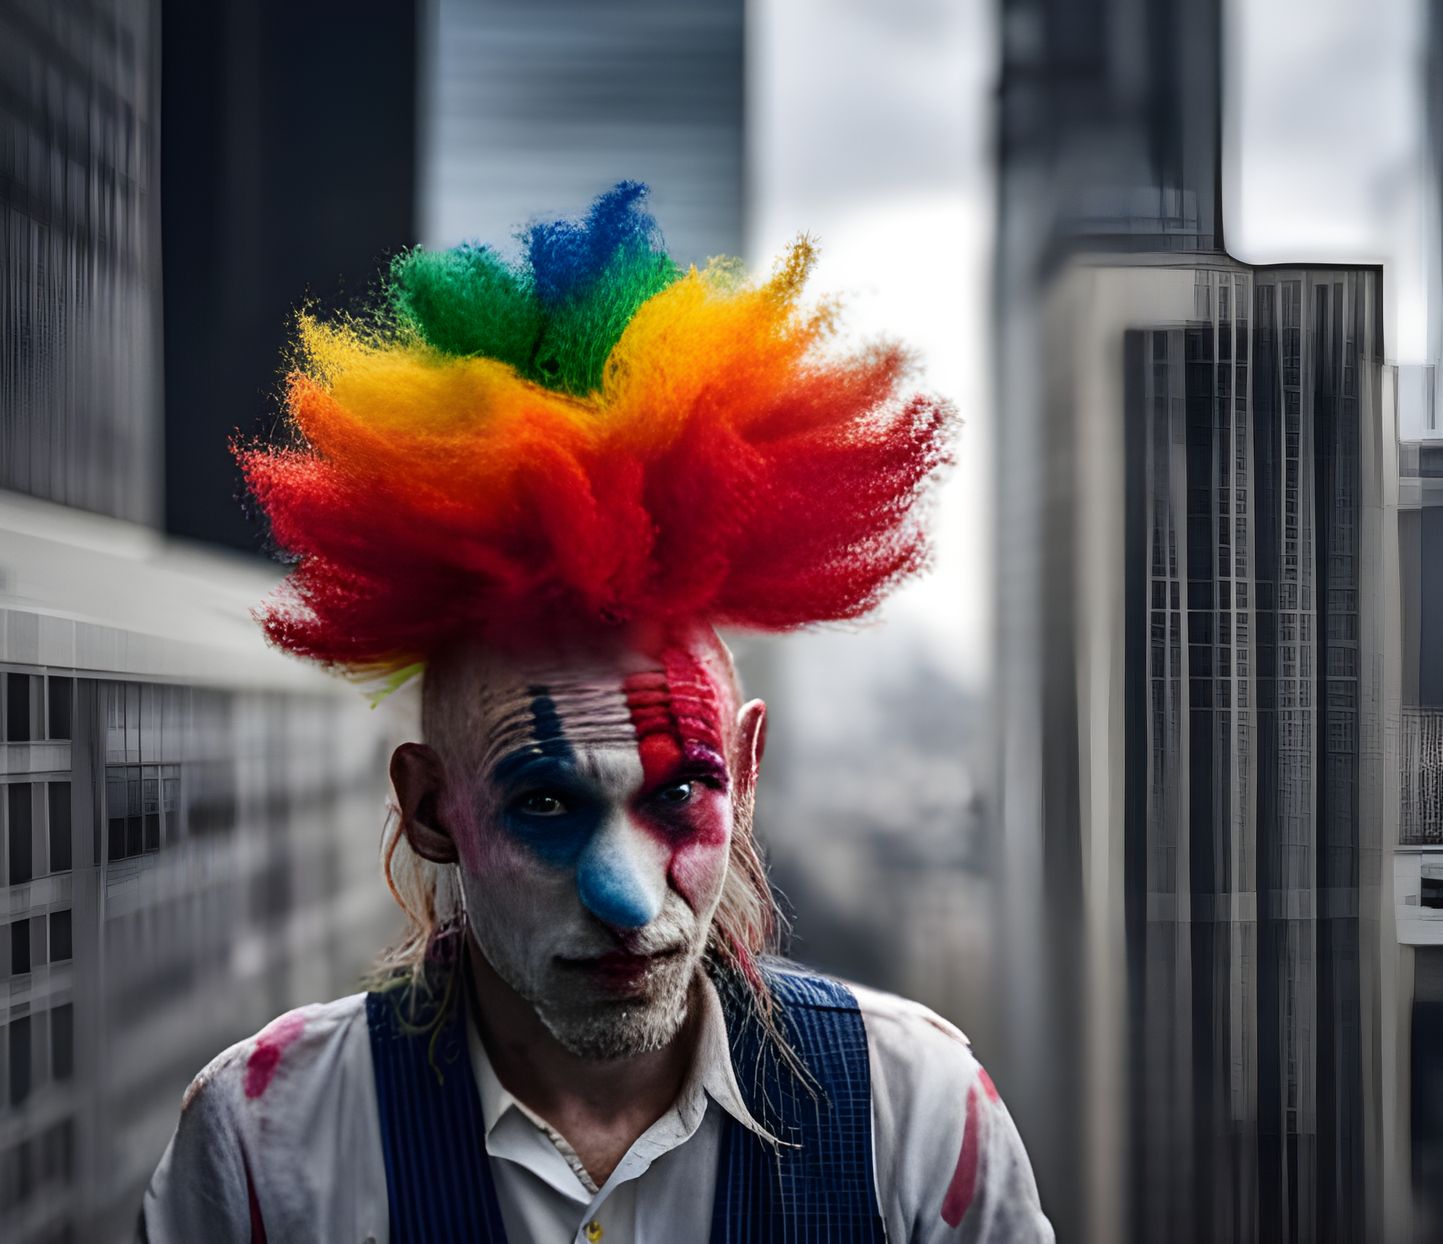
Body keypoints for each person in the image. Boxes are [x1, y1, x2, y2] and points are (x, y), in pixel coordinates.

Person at [140, 183, 1053, 1243]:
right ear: (431, 805)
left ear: (746, 773)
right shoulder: (265, 1148)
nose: (626, 897)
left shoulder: (919, 1115)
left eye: (678, 791)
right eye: (542, 799)